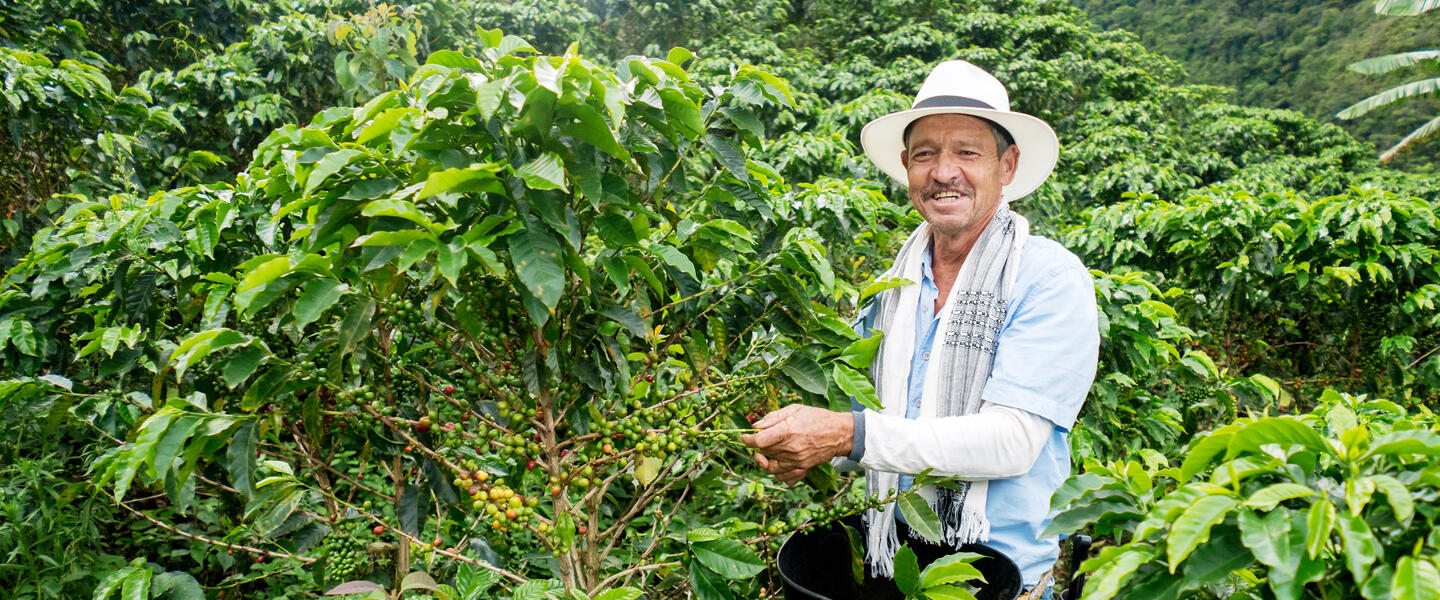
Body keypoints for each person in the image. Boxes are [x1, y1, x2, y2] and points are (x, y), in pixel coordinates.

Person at [741, 60, 1099, 599]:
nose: (944, 171)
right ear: (907, 166)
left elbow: (1012, 443)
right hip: (895, 564)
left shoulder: (1050, 279)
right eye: (926, 154)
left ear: (1008, 166)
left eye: (967, 152)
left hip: (1000, 577)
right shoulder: (896, 284)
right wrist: (804, 443)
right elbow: (882, 423)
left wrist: (844, 434)